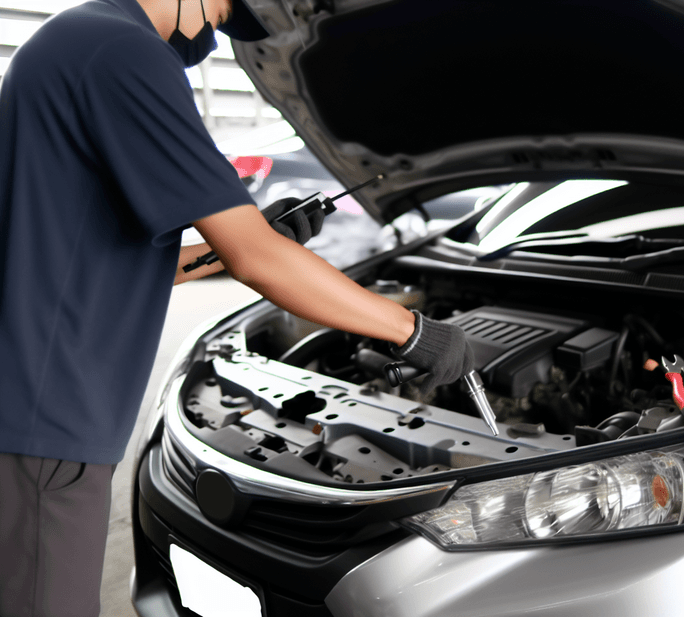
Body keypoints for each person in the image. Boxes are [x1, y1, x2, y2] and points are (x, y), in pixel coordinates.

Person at [0, 0, 473, 614]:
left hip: (34, 404)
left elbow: (125, 259)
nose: (216, 28)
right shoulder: (125, 51)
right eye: (224, 10)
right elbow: (258, 261)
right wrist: (413, 332)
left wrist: (250, 242)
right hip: (47, 418)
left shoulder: (81, 39)